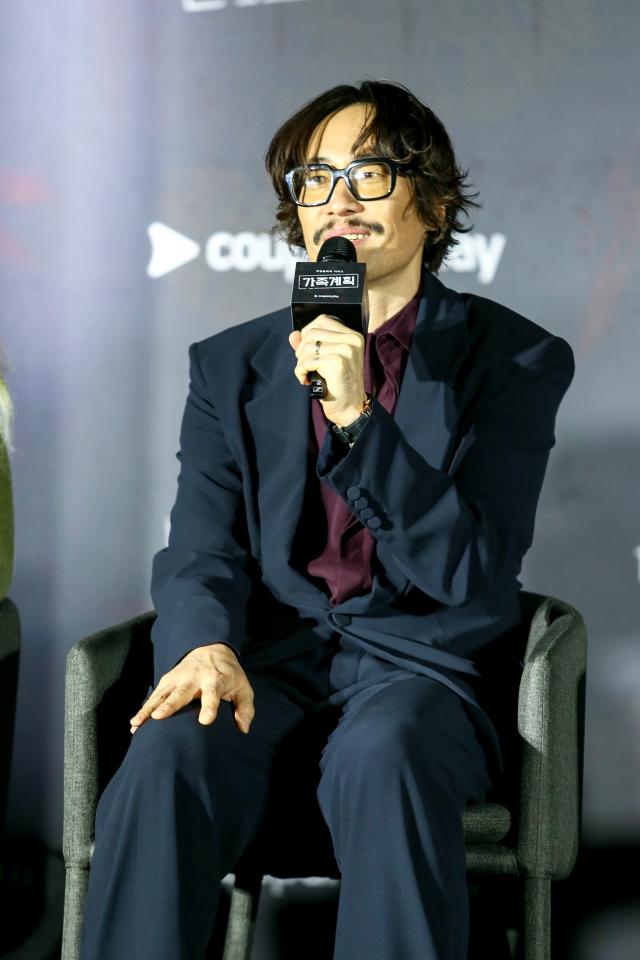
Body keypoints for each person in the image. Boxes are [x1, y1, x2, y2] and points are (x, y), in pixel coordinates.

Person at [81, 81, 574, 960]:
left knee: (384, 755)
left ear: (433, 203)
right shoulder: (229, 365)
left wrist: (358, 422)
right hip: (268, 663)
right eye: (315, 178)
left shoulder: (514, 359)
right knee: (164, 758)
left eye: (369, 174)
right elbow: (201, 546)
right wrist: (205, 644)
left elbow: (470, 569)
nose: (338, 199)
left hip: (421, 672)